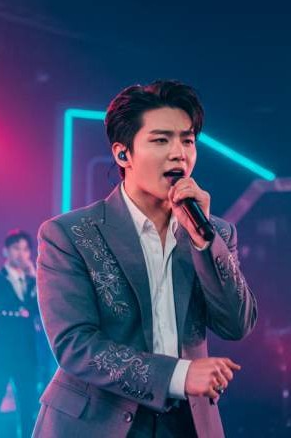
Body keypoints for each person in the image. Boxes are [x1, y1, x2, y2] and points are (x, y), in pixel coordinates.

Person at [33, 80, 257, 437]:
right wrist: (179, 375)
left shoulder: (216, 233)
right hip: (97, 422)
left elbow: (237, 324)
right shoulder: (70, 234)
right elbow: (75, 345)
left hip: (187, 423)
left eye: (187, 140)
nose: (178, 153)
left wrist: (205, 243)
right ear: (123, 154)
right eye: (161, 140)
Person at [0, 230, 39, 437]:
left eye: (25, 249)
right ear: (6, 251)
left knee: (29, 407)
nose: (21, 254)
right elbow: (6, 302)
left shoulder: (34, 282)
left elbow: (40, 308)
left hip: (26, 352)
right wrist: (25, 308)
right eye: (16, 248)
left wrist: (35, 278)